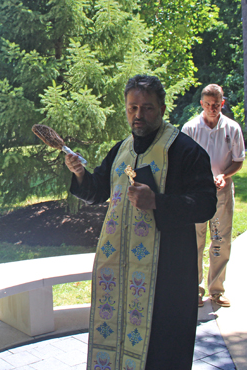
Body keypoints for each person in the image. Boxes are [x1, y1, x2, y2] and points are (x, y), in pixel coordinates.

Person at [65, 75, 217, 369]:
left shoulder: (186, 151)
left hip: (167, 275)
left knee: (161, 351)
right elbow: (98, 190)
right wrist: (81, 174)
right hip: (122, 274)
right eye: (132, 108)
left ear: (161, 108)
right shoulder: (121, 149)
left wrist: (157, 202)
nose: (138, 115)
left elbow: (206, 205)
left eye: (147, 108)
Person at [182, 84, 245, 308]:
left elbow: (238, 160)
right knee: (195, 241)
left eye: (216, 105)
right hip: (197, 192)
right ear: (201, 104)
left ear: (222, 103)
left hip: (222, 190)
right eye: (208, 104)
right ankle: (195, 290)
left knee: (220, 239)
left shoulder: (232, 128)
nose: (212, 109)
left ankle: (216, 290)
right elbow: (181, 162)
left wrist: (224, 176)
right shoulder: (190, 128)